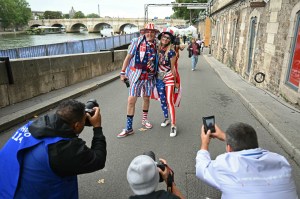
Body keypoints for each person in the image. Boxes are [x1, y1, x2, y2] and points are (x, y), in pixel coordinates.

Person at [0, 99, 107, 198]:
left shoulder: (34, 125)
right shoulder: (62, 148)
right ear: (77, 125)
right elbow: (98, 159)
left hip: (6, 188)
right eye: (84, 121)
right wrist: (97, 127)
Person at [195, 122, 298, 199]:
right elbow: (250, 147)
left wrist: (205, 143)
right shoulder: (281, 161)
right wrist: (224, 136)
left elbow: (201, 168)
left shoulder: (225, 165)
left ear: (229, 149)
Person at [118, 23, 159, 138]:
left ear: (155, 33)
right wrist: (122, 72)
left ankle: (144, 120)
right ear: (144, 32)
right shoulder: (137, 41)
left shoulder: (157, 44)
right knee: (131, 100)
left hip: (150, 77)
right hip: (137, 76)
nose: (149, 33)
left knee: (146, 98)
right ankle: (128, 127)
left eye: (152, 32)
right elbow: (128, 57)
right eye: (147, 31)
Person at [155, 28, 179, 137]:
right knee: (162, 100)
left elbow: (173, 68)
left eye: (168, 38)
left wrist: (176, 82)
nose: (165, 39)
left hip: (168, 76)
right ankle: (166, 118)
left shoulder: (171, 52)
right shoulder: (156, 48)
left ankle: (173, 125)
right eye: (164, 37)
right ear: (161, 38)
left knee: (170, 100)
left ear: (170, 40)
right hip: (159, 77)